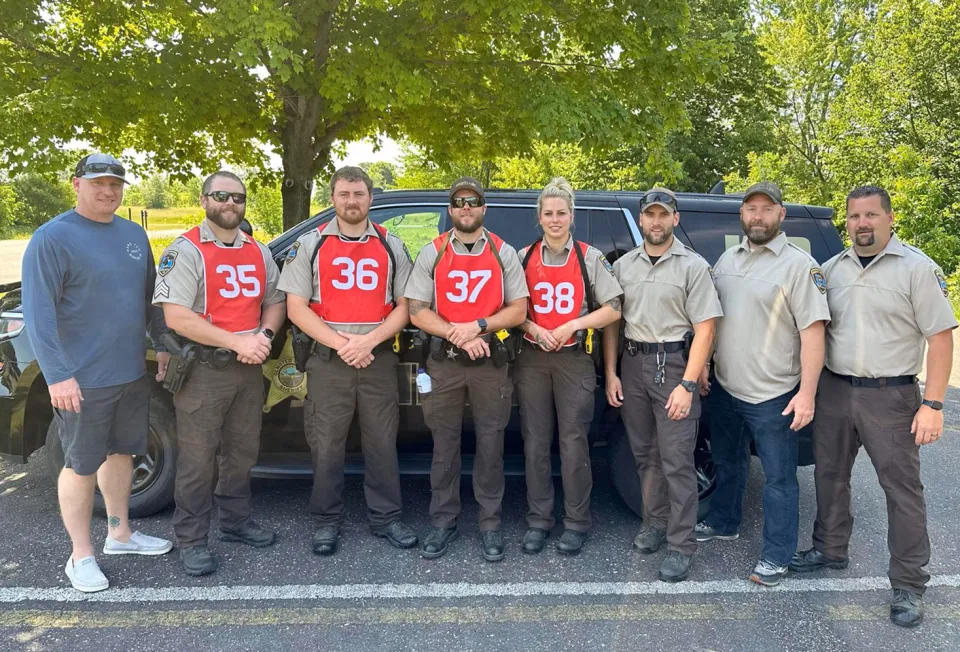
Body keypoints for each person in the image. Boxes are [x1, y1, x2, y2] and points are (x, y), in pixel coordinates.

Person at [789, 186, 956, 627]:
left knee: (901, 491)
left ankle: (908, 584)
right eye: (854, 216)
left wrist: (934, 404)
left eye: (870, 215)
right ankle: (830, 548)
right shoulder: (830, 270)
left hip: (893, 395)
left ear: (889, 217)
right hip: (836, 390)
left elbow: (941, 338)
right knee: (829, 474)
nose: (862, 224)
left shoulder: (917, 269)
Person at [21, 153, 172, 593]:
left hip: (128, 372)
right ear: (76, 184)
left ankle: (120, 535)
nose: (108, 191)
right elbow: (39, 315)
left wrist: (160, 344)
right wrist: (58, 375)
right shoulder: (53, 238)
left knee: (122, 453)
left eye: (116, 184)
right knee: (81, 465)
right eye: (98, 183)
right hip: (81, 380)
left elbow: (149, 299)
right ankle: (80, 555)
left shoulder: (132, 234)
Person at [695, 181, 830, 587]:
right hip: (724, 386)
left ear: (781, 215)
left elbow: (813, 333)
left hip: (775, 396)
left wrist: (806, 393)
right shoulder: (727, 259)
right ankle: (724, 521)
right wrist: (705, 365)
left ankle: (777, 556)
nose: (757, 216)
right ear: (742, 215)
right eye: (751, 208)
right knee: (727, 462)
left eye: (766, 209)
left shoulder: (799, 266)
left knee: (778, 480)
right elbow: (712, 319)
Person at [279, 166, 418, 556]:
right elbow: (296, 307)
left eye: (358, 194)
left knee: (382, 441)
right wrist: (343, 345)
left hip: (376, 358)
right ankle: (326, 521)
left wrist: (368, 341)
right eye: (344, 194)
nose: (352, 201)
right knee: (326, 444)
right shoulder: (311, 245)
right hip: (328, 361)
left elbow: (405, 307)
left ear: (370, 198)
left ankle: (386, 518)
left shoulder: (393, 245)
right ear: (333, 199)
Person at [154, 170, 286, 576]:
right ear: (205, 199)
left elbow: (275, 300)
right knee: (197, 459)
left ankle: (235, 522)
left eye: (238, 197)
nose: (230, 204)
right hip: (204, 371)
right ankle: (192, 539)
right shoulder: (186, 249)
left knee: (242, 452)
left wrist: (263, 336)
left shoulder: (258, 251)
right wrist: (237, 342)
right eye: (221, 196)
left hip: (248, 368)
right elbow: (176, 316)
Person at [404, 177, 528, 562]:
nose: (466, 207)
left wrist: (478, 327)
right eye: (458, 202)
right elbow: (416, 310)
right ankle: (443, 521)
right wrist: (457, 335)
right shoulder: (434, 252)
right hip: (445, 363)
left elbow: (518, 310)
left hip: (490, 361)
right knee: (444, 446)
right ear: (450, 209)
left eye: (473, 201)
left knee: (491, 445)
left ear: (483, 208)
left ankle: (490, 524)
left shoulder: (503, 252)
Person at [603, 187, 721, 581]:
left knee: (676, 461)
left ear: (675, 219)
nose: (656, 221)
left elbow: (706, 328)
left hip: (673, 366)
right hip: (633, 363)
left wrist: (688, 383)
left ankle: (681, 545)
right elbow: (613, 322)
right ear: (641, 220)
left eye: (663, 214)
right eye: (649, 215)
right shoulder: (624, 267)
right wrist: (612, 371)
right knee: (644, 455)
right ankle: (653, 524)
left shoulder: (692, 266)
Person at [515, 178, 623, 556]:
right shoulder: (523, 256)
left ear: (571, 216)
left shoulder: (589, 257)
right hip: (531, 357)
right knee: (535, 442)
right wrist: (532, 327)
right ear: (539, 217)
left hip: (574, 358)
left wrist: (573, 324)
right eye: (549, 213)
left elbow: (613, 308)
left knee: (574, 443)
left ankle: (576, 523)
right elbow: (510, 309)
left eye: (562, 213)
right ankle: (538, 520)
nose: (555, 219)